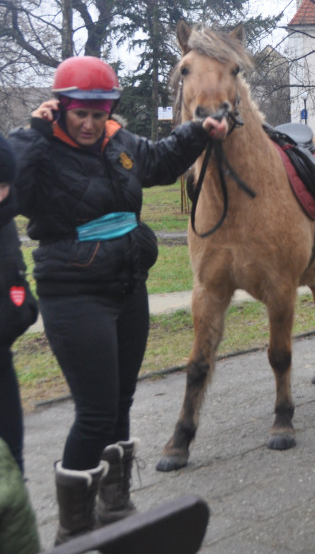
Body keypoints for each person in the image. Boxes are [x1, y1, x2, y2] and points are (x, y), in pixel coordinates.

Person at [8, 56, 229, 544]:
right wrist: (33, 134)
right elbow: (10, 190)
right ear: (61, 107)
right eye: (78, 113)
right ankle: (74, 529)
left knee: (122, 401)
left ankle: (115, 505)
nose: (88, 123)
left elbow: (161, 161)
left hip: (128, 286)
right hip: (75, 291)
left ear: (109, 109)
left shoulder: (119, 142)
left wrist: (199, 130)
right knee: (95, 411)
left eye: (98, 112)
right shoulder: (39, 150)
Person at [0, 133, 42, 554]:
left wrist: (22, 305)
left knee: (12, 469)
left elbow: (13, 282)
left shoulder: (4, 215)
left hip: (2, 366)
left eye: (4, 185)